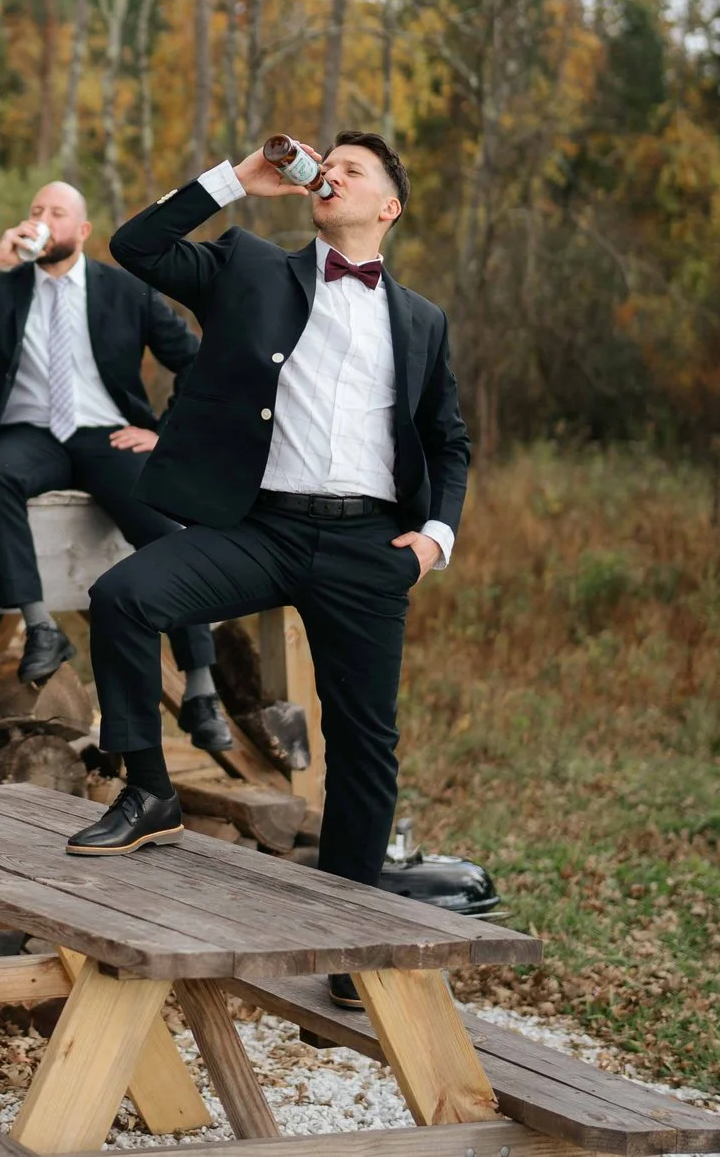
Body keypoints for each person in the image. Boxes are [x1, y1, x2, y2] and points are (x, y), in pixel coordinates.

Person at [68, 133, 468, 1003]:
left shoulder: (422, 319)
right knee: (124, 595)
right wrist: (237, 180)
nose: (333, 173)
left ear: (389, 207)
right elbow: (135, 246)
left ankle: (352, 944)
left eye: (354, 169)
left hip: (369, 548)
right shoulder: (248, 267)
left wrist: (435, 536)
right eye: (331, 163)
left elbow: (448, 440)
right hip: (262, 525)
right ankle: (149, 791)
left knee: (364, 744)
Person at [0, 181, 233, 743]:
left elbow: (198, 361)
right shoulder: (6, 285)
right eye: (35, 209)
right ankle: (40, 628)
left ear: (82, 231)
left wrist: (163, 435)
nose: (42, 218)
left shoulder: (126, 289)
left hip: (108, 436)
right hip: (30, 435)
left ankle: (201, 688)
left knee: (167, 530)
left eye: (56, 212)